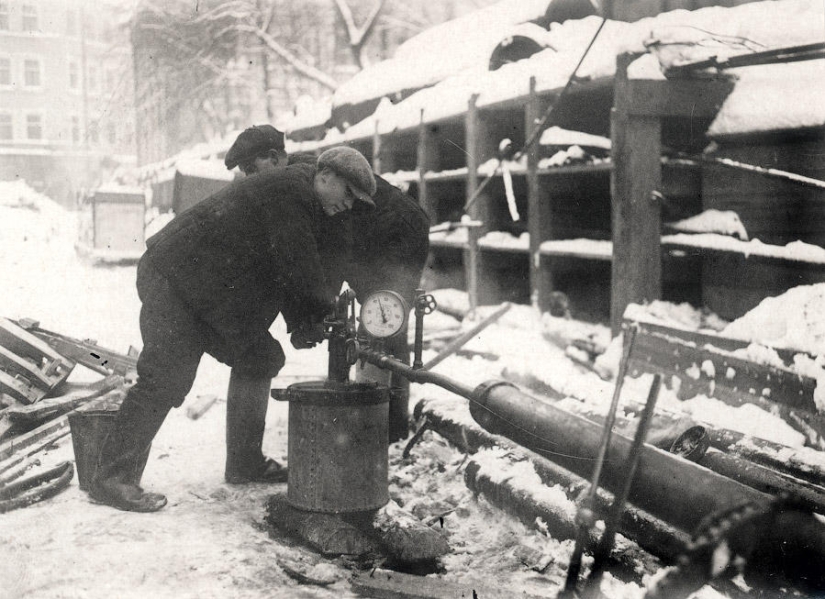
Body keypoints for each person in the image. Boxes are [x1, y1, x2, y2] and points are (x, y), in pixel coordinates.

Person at [89, 146, 376, 513]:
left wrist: (305, 321)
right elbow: (296, 263)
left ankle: (244, 462)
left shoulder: (303, 195)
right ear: (327, 176)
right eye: (349, 195)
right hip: (175, 279)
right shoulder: (291, 191)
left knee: (260, 357)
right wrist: (315, 315)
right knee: (166, 376)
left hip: (209, 291)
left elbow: (285, 267)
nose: (349, 206)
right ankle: (111, 478)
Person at [225, 126, 430, 441]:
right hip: (361, 243)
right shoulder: (299, 180)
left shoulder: (308, 180)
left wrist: (319, 308)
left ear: (274, 157)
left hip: (398, 237)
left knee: (387, 322)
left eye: (253, 169)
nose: (252, 178)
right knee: (348, 319)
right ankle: (356, 420)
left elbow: (324, 250)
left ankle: (390, 430)